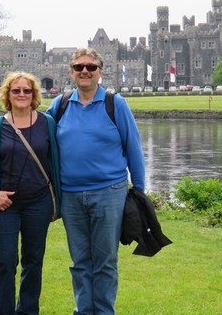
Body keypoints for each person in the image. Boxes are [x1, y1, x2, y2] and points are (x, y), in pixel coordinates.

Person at [46, 48, 145, 315]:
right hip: (70, 196)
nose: (85, 71)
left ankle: (103, 312)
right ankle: (83, 311)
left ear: (100, 71)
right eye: (79, 67)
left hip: (109, 193)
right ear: (72, 72)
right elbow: (39, 136)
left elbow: (133, 149)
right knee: (80, 261)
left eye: (90, 67)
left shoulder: (116, 104)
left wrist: (140, 193)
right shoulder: (61, 104)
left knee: (105, 262)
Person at [0, 71, 61, 315]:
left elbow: (57, 160)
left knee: (33, 262)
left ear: (34, 95)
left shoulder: (47, 123)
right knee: (5, 262)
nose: (22, 94)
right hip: (5, 205)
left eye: (27, 90)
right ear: (8, 95)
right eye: (16, 90)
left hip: (38, 203)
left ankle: (28, 311)